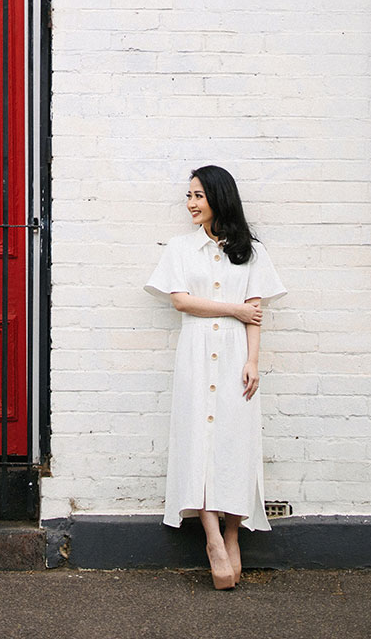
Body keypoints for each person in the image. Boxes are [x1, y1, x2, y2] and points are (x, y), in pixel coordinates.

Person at [145, 164, 287, 590]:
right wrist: (234, 309)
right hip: (195, 352)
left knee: (234, 442)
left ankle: (232, 534)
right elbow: (181, 302)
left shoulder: (251, 252)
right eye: (188, 196)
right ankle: (211, 538)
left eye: (198, 196)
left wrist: (253, 361)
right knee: (197, 441)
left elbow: (255, 313)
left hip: (234, 354)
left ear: (218, 198)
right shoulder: (180, 248)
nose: (190, 203)